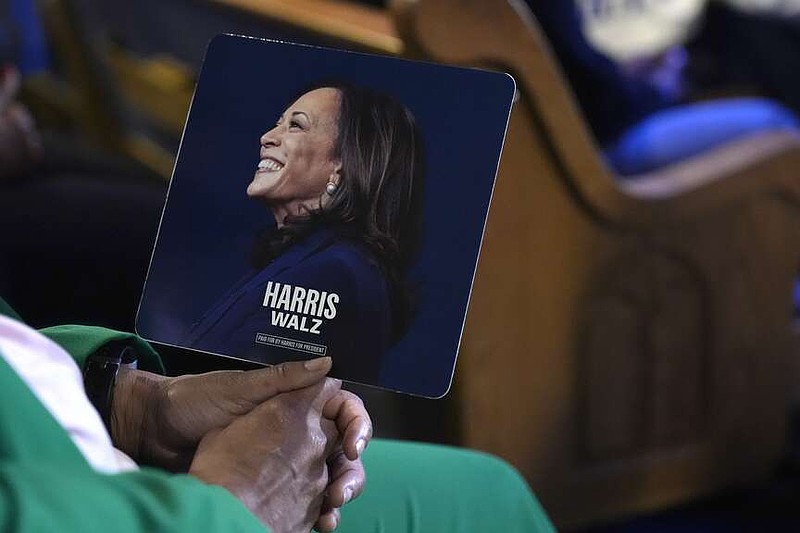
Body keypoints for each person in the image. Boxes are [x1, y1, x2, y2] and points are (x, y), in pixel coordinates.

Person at [0, 296, 554, 532]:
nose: (270, 136)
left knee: (486, 488)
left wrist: (125, 403)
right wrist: (235, 507)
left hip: (66, 454)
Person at [183, 83, 424, 384]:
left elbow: (242, 387)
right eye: (278, 123)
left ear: (342, 167)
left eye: (296, 125)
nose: (267, 138)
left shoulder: (335, 273)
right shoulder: (313, 261)